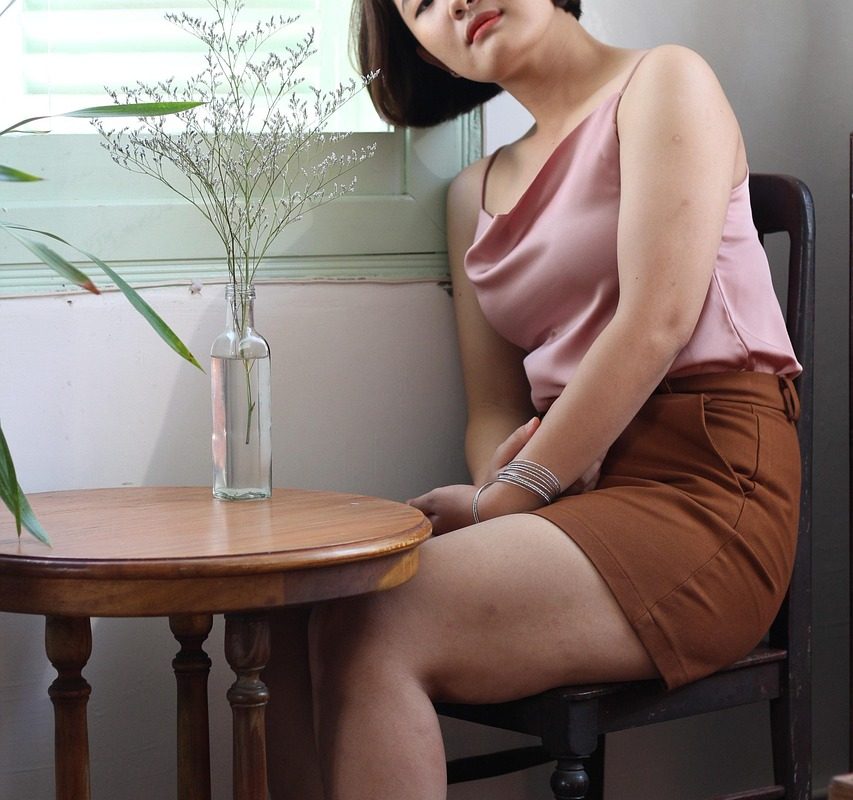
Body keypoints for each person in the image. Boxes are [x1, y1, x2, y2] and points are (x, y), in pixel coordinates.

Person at [263, 1, 803, 798]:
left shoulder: (665, 80)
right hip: (566, 490)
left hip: (706, 490)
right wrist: (515, 485)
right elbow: (492, 406)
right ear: (424, 51)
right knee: (287, 612)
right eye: (419, 5)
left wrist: (512, 495)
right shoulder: (471, 194)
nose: (453, 1)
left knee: (376, 616)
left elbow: (657, 321)